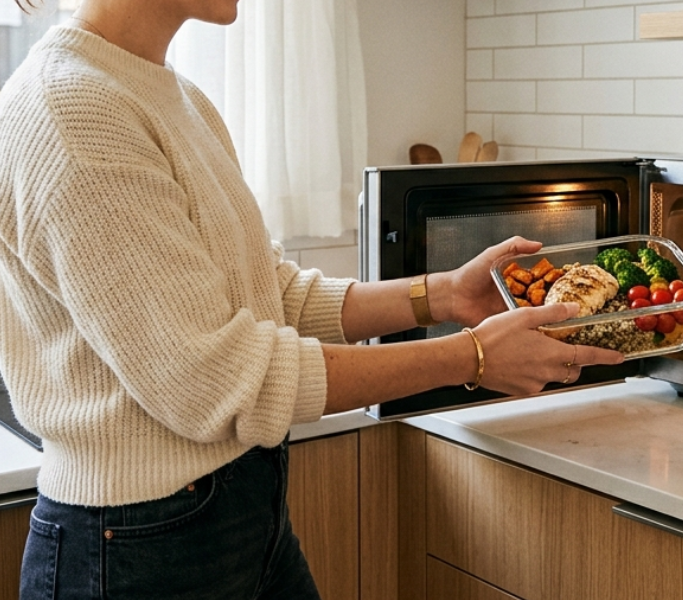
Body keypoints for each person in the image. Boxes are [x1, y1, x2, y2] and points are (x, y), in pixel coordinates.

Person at [0, 0, 624, 598]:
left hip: (242, 505)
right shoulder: (72, 109)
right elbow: (214, 379)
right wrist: (474, 358)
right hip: (135, 543)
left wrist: (444, 295)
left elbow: (269, 293)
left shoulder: (177, 96)